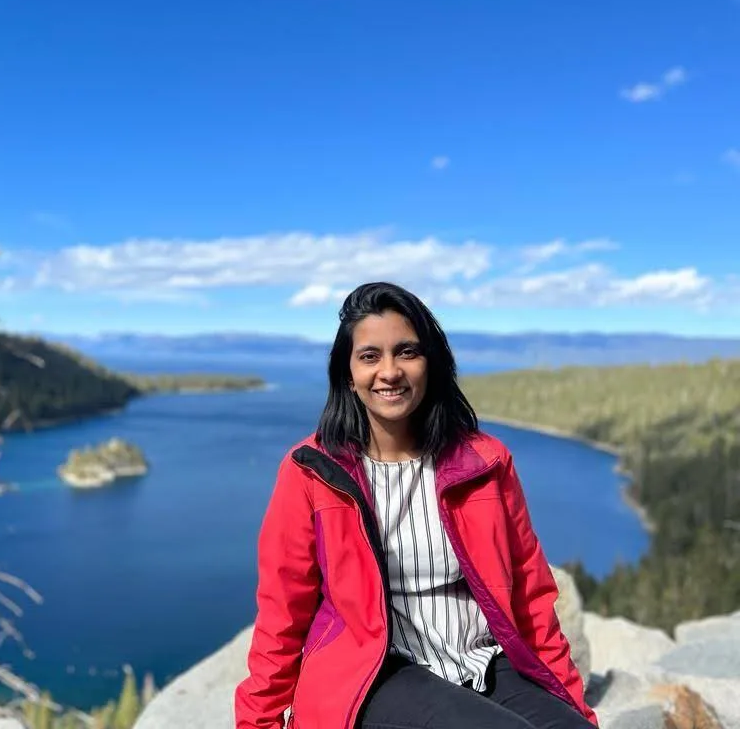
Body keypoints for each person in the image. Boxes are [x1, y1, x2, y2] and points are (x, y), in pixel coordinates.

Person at [234, 281, 598, 729]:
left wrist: (574, 708)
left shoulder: (485, 462)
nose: (390, 371)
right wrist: (260, 723)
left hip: (482, 659)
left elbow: (530, 593)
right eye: (370, 356)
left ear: (431, 363)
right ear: (348, 374)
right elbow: (282, 612)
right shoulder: (311, 472)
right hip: (378, 674)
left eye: (407, 352)